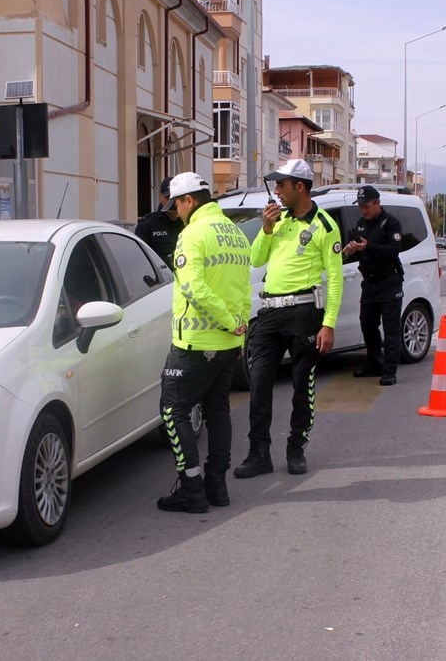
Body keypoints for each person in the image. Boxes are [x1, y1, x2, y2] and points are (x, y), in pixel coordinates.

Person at [233, 158, 343, 479]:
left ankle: (296, 447)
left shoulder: (324, 225)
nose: (277, 191)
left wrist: (329, 323)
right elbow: (256, 259)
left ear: (299, 186)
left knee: (301, 386)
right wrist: (266, 229)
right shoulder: (277, 222)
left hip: (304, 313)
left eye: (281, 185)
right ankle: (259, 453)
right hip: (269, 312)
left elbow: (334, 279)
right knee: (260, 385)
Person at [156, 171, 251, 513]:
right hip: (227, 346)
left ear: (189, 201)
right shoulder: (236, 234)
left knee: (172, 410)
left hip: (194, 344)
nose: (175, 212)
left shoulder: (192, 234)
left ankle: (192, 487)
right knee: (218, 412)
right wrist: (238, 329)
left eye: (176, 205)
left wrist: (228, 323)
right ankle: (217, 486)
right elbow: (243, 291)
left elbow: (193, 289)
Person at [344, 185, 404, 386]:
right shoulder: (361, 223)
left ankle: (389, 370)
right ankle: (373, 363)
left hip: (389, 282)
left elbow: (393, 250)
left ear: (377, 203)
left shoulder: (391, 223)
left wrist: (368, 247)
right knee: (367, 324)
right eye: (360, 206)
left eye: (366, 206)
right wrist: (352, 249)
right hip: (369, 284)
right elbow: (359, 247)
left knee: (391, 327)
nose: (363, 210)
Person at [134, 176, 183, 269]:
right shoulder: (147, 226)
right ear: (161, 197)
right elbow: (140, 262)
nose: (172, 203)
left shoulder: (189, 223)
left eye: (176, 198)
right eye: (168, 198)